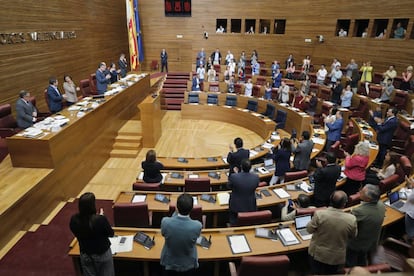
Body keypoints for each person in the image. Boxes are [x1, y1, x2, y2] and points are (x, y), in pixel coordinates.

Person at [307, 190, 357, 275]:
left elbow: (309, 230)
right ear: (344, 203)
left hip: (318, 254)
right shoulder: (351, 219)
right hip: (336, 257)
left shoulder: (319, 214)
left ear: (330, 200)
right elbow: (353, 235)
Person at [70, 192, 114, 276]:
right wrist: (101, 217)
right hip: (102, 254)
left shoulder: (74, 219)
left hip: (85, 254)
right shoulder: (100, 220)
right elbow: (111, 233)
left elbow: (76, 232)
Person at [160, 193, 202, 275]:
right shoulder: (197, 225)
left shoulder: (165, 222)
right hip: (188, 262)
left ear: (176, 207)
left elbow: (163, 233)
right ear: (192, 208)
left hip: (170, 261)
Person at [346, 184, 385, 267]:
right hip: (372, 241)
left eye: (362, 192)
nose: (359, 192)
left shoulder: (359, 211)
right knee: (362, 258)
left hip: (357, 243)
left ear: (368, 199)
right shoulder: (381, 204)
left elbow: (349, 225)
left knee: (350, 260)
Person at [227, 159, 259, 225]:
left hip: (236, 206)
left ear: (241, 167)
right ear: (251, 167)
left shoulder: (234, 176)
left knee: (234, 221)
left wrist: (236, 174)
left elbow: (229, 186)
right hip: (250, 205)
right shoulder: (256, 177)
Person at [402, 176, 414, 241]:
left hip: (411, 214)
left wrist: (411, 185)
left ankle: (408, 244)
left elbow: (411, 198)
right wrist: (410, 184)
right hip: (410, 211)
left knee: (410, 232)